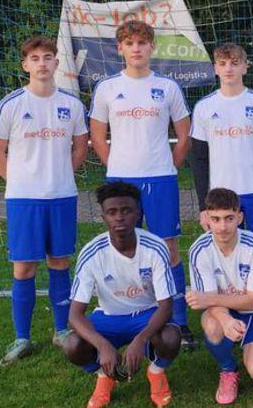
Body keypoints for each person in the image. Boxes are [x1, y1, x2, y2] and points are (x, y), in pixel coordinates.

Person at [89, 20, 196, 349]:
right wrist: (116, 167)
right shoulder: (107, 88)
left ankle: (179, 322)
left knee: (168, 248)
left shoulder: (167, 87)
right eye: (129, 43)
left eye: (142, 43)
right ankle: (129, 312)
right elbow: (97, 136)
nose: (136, 48)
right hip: (122, 181)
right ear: (120, 49)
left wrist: (169, 166)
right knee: (124, 247)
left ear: (152, 47)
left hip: (160, 179)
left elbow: (184, 134)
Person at [0, 36, 88, 366]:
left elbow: (80, 147)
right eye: (35, 58)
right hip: (24, 200)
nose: (42, 63)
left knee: (60, 262)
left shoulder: (72, 104)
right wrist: (19, 181)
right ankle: (22, 338)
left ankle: (62, 331)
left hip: (61, 196)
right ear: (25, 65)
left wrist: (61, 175)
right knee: (24, 266)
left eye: (47, 57)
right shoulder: (11, 104)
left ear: (56, 63)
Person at [61, 182, 181, 408]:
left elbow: (166, 306)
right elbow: (75, 315)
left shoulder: (155, 247)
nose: (119, 217)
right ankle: (104, 377)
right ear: (103, 217)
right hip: (108, 317)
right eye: (112, 212)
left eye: (126, 210)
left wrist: (141, 340)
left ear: (138, 213)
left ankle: (156, 372)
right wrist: (103, 346)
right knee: (72, 344)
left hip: (147, 313)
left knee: (172, 337)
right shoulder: (91, 253)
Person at [186, 188, 253, 405]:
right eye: (216, 219)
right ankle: (228, 370)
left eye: (229, 218)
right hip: (224, 310)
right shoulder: (199, 250)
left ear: (240, 217)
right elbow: (210, 301)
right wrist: (226, 320)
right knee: (212, 326)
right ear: (207, 219)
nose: (222, 227)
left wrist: (209, 300)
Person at [190, 43, 253, 258]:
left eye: (234, 63)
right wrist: (203, 206)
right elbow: (199, 159)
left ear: (245, 67)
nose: (228, 68)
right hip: (221, 194)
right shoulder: (204, 107)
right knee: (226, 251)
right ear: (215, 69)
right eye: (222, 64)